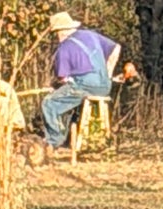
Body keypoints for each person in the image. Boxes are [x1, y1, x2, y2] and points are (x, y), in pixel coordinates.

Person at [39, 11, 116, 153]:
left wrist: (55, 88)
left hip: (84, 86)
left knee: (49, 103)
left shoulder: (64, 47)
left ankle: (53, 141)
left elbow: (63, 78)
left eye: (56, 33)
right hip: (105, 86)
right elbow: (116, 48)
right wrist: (108, 73)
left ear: (60, 31)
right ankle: (79, 140)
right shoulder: (91, 35)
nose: (57, 37)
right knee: (70, 101)